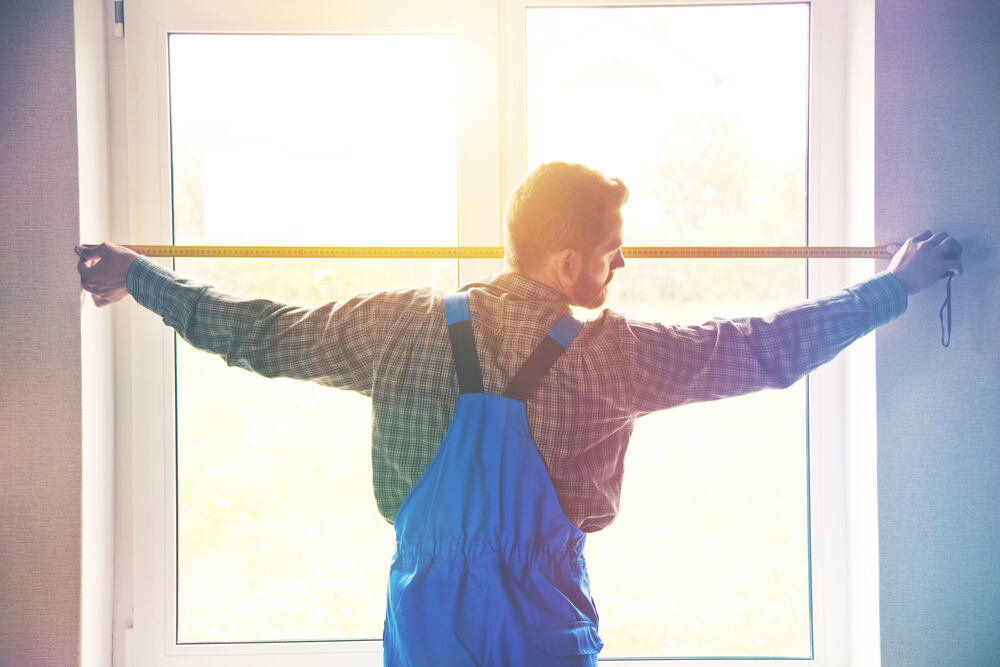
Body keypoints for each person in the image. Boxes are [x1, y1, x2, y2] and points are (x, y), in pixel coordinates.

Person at [77, 161, 962, 666]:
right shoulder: (613, 353)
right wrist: (894, 287)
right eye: (613, 256)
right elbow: (762, 347)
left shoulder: (396, 323)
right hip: (543, 631)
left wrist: (140, 275)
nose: (621, 272)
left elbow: (257, 333)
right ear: (571, 260)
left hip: (425, 631)